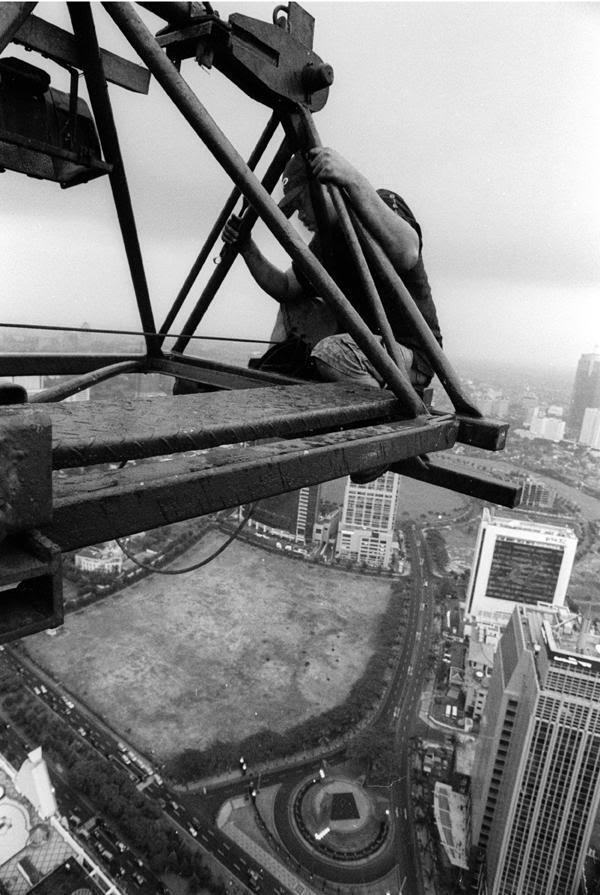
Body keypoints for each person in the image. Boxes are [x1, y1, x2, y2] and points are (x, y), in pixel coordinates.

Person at [222, 146, 443, 391]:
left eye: (302, 201)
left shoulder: (377, 204)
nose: (300, 215)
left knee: (333, 353)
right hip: (364, 348)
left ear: (325, 187)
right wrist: (246, 247)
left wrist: (351, 178)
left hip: (411, 354)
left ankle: (375, 418)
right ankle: (270, 387)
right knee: (293, 307)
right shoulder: (324, 243)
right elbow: (286, 287)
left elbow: (408, 252)